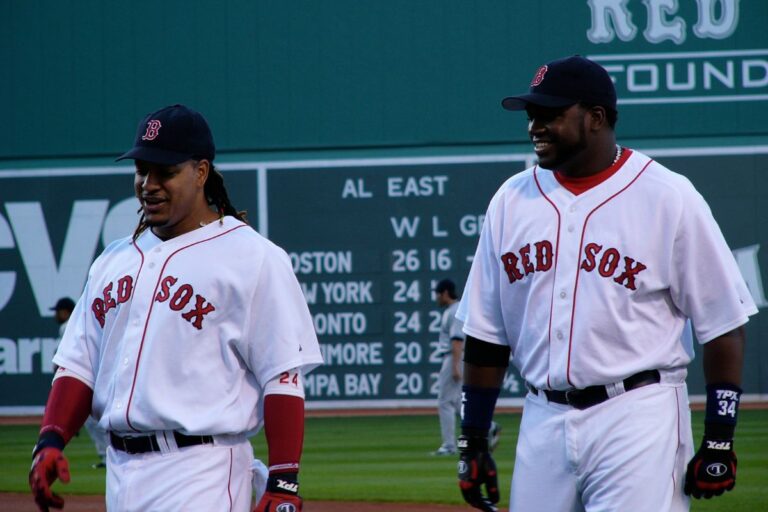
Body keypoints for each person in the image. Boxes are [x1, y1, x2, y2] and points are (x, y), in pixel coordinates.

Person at [455, 55, 757, 512]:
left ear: (596, 118)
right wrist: (472, 440)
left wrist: (719, 438)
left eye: (551, 114)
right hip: (541, 418)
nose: (535, 125)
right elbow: (486, 335)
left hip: (637, 414)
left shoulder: (667, 196)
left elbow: (723, 324)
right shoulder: (511, 199)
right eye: (532, 114)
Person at [29, 104, 323, 512]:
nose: (148, 184)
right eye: (141, 171)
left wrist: (284, 481)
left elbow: (282, 377)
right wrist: (50, 439)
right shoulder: (114, 259)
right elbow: (78, 366)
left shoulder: (253, 258)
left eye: (165, 172)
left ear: (201, 172)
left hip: (200, 469)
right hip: (120, 473)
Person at [51, 297, 110, 470]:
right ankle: (106, 455)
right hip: (96, 378)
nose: (56, 315)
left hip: (86, 379)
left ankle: (107, 455)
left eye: (58, 311)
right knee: (93, 422)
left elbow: (70, 357)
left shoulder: (68, 326)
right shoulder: (83, 322)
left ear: (65, 312)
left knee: (93, 421)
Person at [431, 279, 465, 456]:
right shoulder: (454, 310)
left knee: (444, 401)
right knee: (458, 401)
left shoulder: (454, 311)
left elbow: (457, 340)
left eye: (437, 293)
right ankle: (488, 427)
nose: (436, 297)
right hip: (455, 357)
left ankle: (449, 445)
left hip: (454, 357)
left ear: (445, 293)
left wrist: (455, 366)